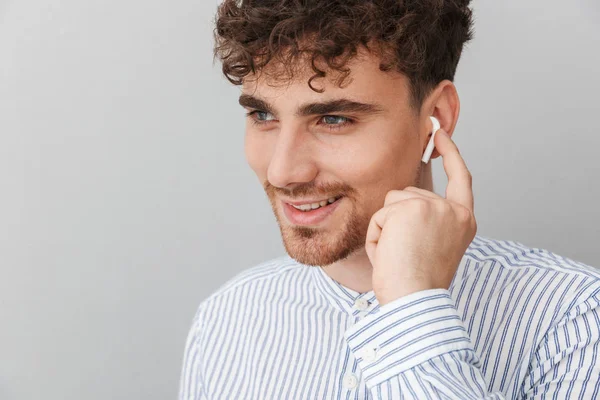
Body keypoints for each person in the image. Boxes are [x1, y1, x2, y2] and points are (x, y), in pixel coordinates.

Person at [179, 1, 600, 399]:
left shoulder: (572, 321)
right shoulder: (226, 319)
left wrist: (413, 307)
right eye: (263, 116)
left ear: (438, 119)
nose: (282, 172)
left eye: (334, 119)